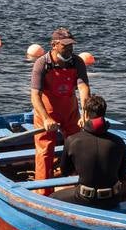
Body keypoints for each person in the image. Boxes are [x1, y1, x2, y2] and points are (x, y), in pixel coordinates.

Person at [30, 27, 91, 193]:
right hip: (47, 114)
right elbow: (35, 95)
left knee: (78, 146)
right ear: (54, 45)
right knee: (45, 151)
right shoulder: (42, 63)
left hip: (70, 112)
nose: (70, 49)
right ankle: (43, 191)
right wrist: (46, 118)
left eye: (71, 45)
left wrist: (85, 114)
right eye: (65, 46)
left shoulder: (77, 62)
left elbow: (84, 88)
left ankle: (79, 186)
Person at [62, 95, 126, 209]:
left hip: (84, 198)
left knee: (53, 197)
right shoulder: (118, 142)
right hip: (112, 199)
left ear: (85, 115)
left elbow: (65, 171)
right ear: (104, 113)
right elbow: (124, 176)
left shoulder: (72, 140)